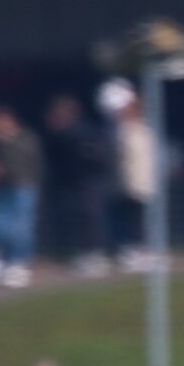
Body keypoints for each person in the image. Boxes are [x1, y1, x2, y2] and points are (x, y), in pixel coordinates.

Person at [42, 95, 109, 271]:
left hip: (88, 181)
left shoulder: (82, 131)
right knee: (78, 218)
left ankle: (95, 254)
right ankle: (85, 253)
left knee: (90, 216)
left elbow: (93, 157)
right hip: (72, 183)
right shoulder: (58, 135)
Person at [100, 81, 156, 266]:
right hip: (126, 182)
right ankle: (129, 251)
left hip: (140, 181)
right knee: (129, 217)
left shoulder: (140, 127)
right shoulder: (119, 130)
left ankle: (137, 249)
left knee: (138, 217)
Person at [0, 109, 42, 286]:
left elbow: (23, 161)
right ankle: (8, 260)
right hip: (3, 188)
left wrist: (6, 145)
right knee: (0, 226)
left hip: (24, 186)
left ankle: (19, 263)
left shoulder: (25, 138)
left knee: (21, 227)